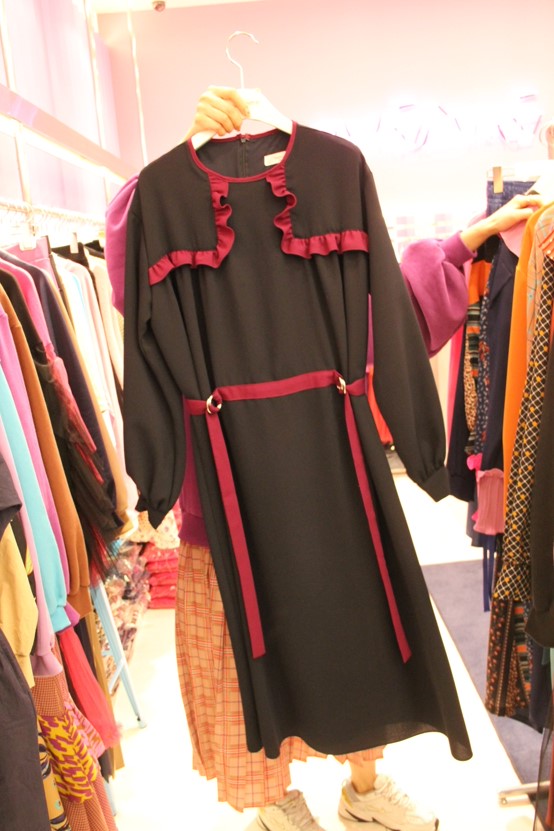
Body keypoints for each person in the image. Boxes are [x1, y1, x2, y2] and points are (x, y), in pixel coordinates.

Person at [105, 87, 543, 831]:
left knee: (351, 634)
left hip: (333, 476)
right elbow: (135, 300)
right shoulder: (162, 196)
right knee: (246, 647)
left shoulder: (337, 173)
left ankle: (362, 789)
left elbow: (391, 310)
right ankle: (275, 804)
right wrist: (156, 471)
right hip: (228, 485)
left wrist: (464, 243)